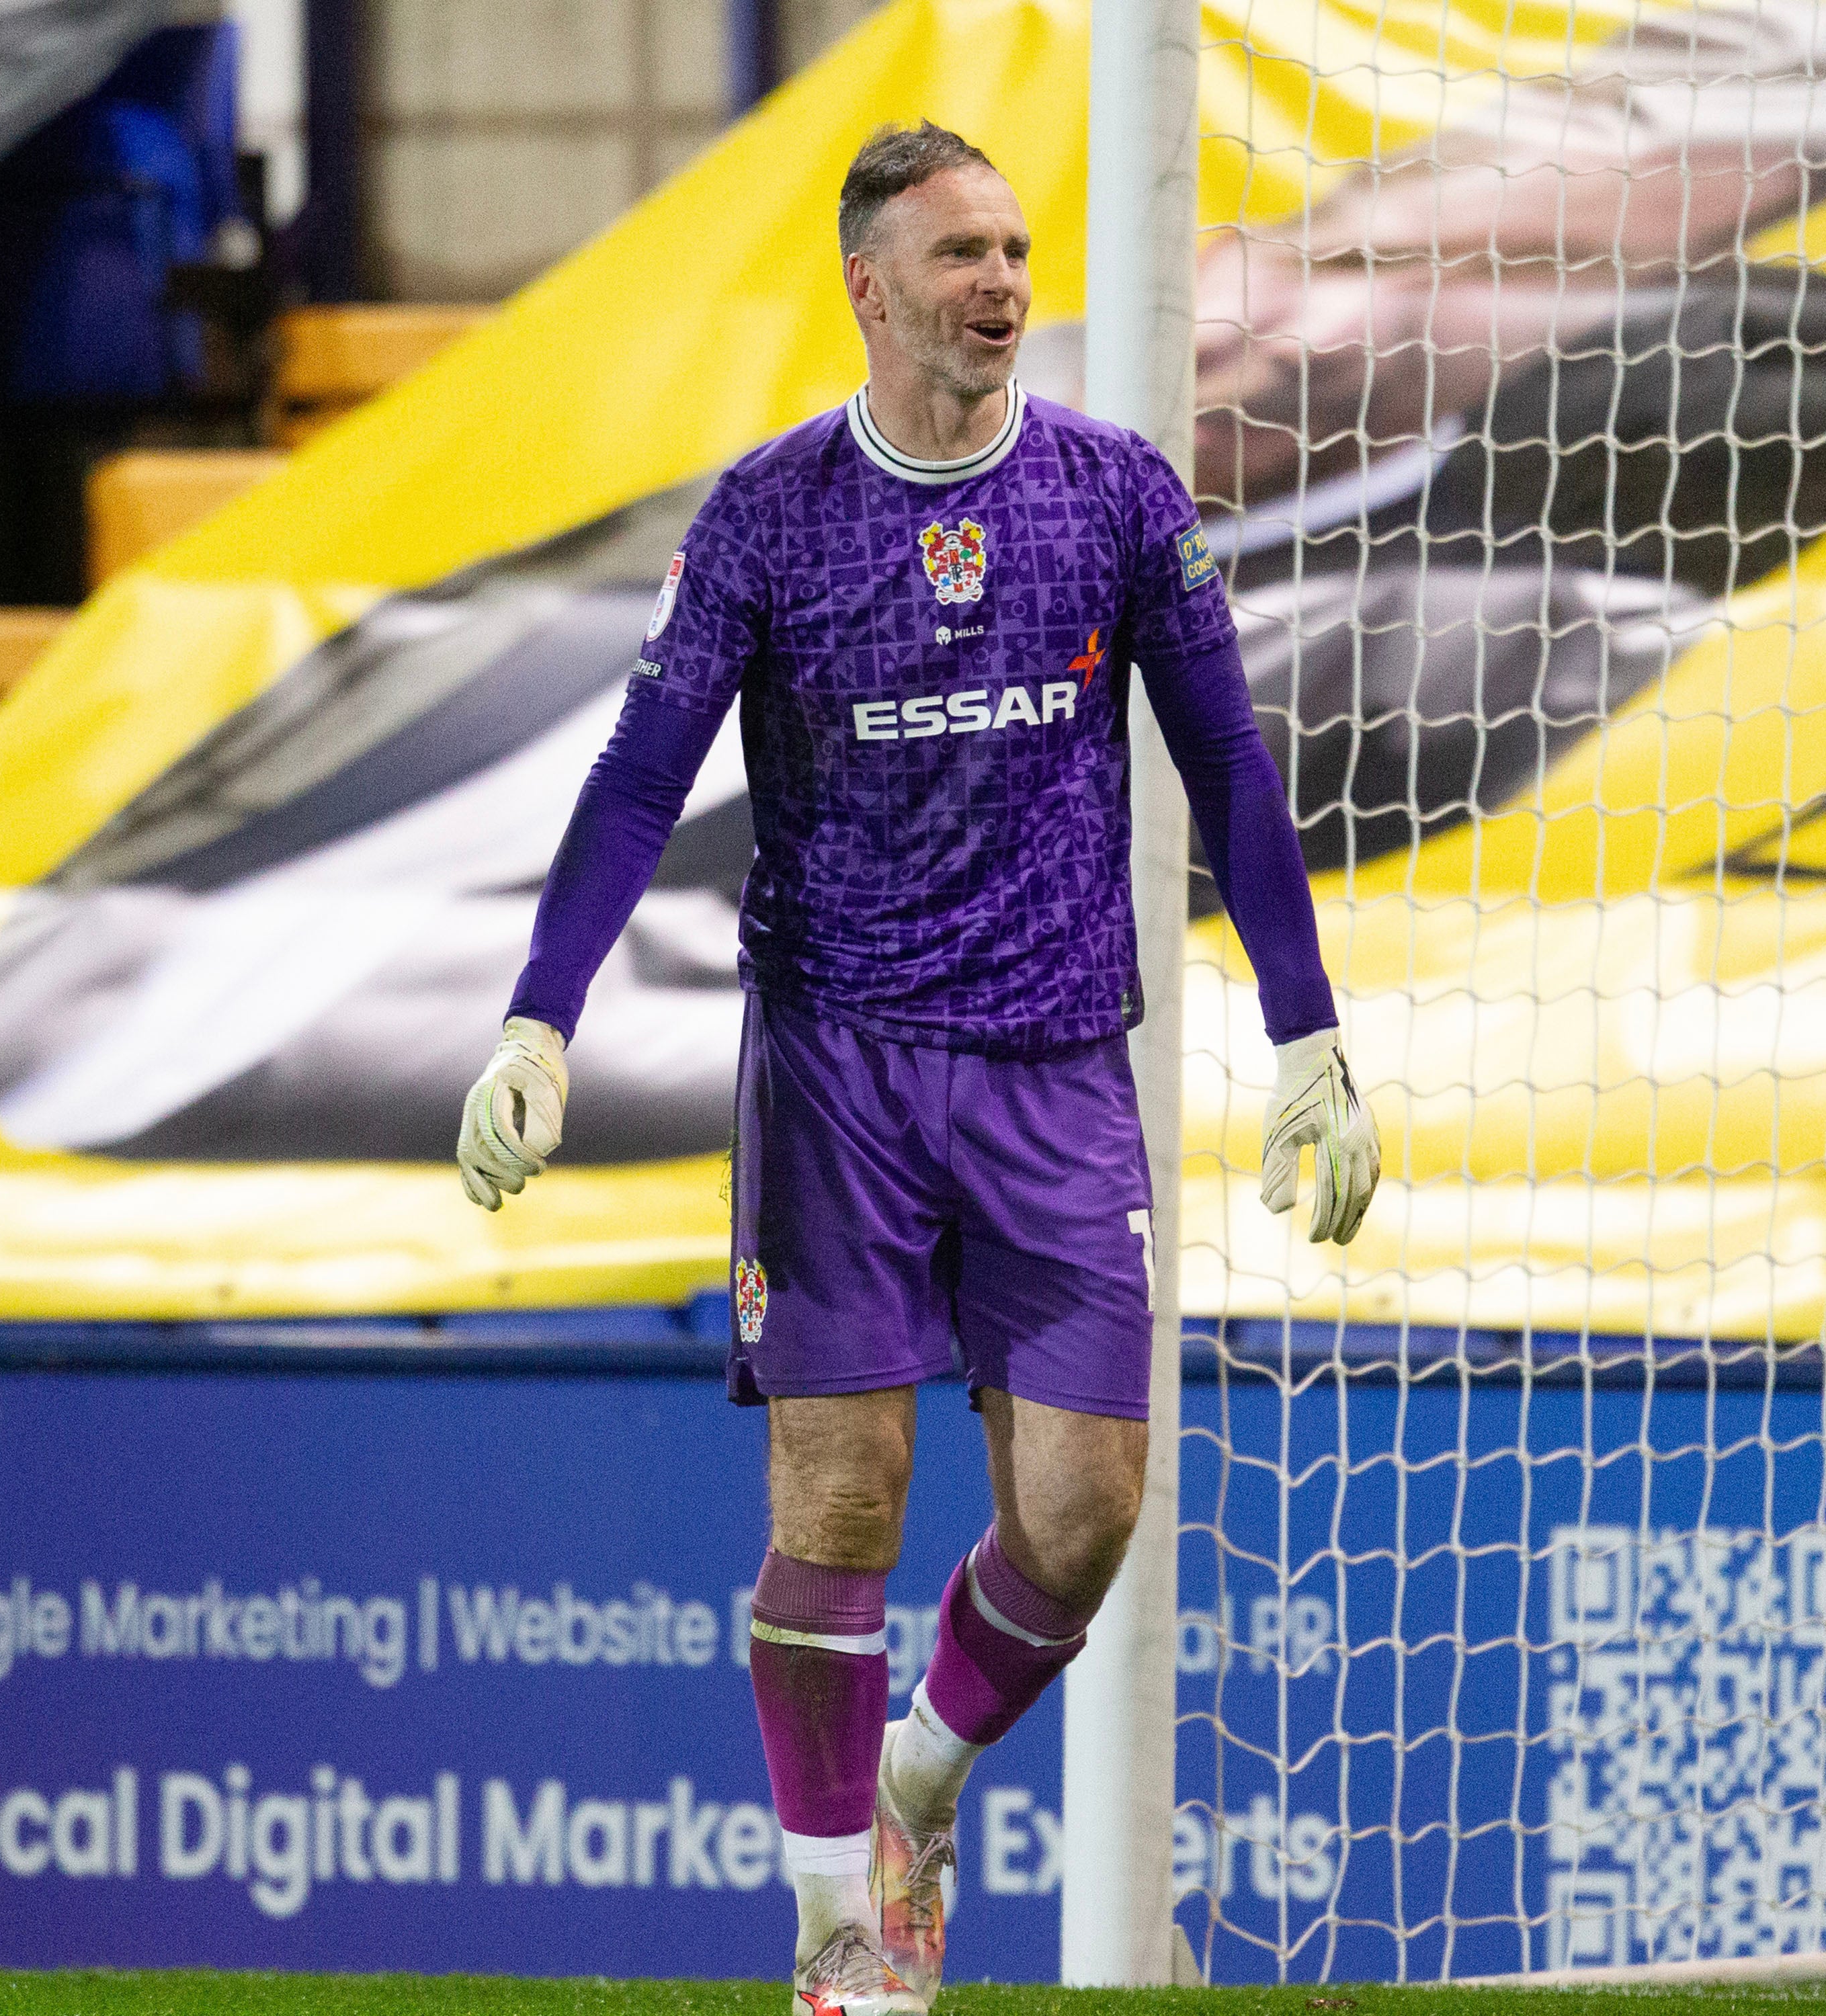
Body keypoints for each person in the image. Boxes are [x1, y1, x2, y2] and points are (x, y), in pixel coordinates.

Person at [457, 122, 1378, 2015]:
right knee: (843, 1500)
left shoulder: (1117, 494)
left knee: (1089, 1511)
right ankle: (830, 1927)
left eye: (1021, 249)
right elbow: (640, 779)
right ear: (869, 287)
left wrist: (1312, 1035)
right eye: (961, 252)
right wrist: (541, 1014)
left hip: (1056, 1068)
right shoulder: (771, 514)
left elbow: (1232, 770)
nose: (1004, 284)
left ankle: (916, 1783)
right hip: (840, 1074)